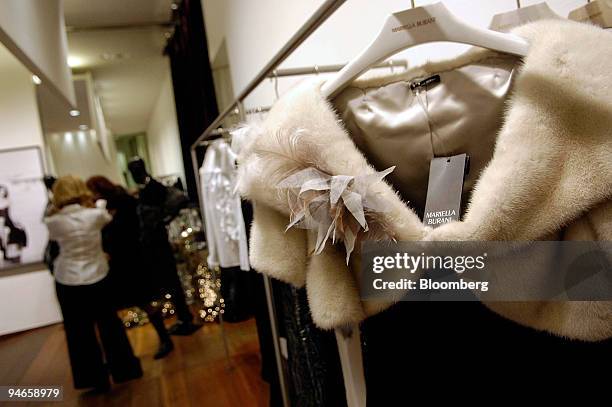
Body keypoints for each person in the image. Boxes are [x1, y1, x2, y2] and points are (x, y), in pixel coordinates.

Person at [44, 175, 142, 392]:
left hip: (67, 279)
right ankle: (124, 369)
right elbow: (106, 219)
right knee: (110, 325)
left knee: (78, 332)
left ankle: (92, 378)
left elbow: (52, 225)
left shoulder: (53, 222)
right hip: (98, 274)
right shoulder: (96, 215)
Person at [86, 175, 174, 359]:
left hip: (131, 261)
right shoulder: (103, 207)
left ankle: (164, 339)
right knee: (117, 308)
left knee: (144, 302)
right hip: (117, 263)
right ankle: (123, 354)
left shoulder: (124, 202)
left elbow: (129, 231)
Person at [127, 157, 199, 335]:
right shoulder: (145, 188)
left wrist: (163, 219)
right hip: (153, 243)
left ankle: (185, 318)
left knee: (171, 281)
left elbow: (180, 200)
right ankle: (183, 317)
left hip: (158, 243)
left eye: (135, 170)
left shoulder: (153, 187)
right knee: (168, 282)